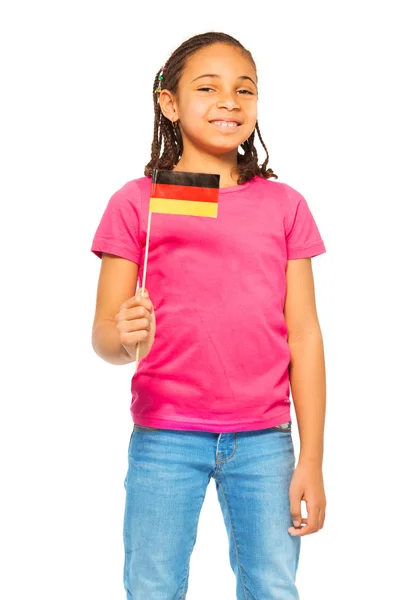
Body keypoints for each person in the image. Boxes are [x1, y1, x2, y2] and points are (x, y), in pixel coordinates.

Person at [91, 31, 327, 600]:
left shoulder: (283, 204)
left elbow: (306, 334)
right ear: (168, 103)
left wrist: (313, 457)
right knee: (151, 587)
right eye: (208, 87)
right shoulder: (138, 200)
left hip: (265, 439)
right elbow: (105, 335)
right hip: (166, 434)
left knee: (273, 585)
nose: (229, 101)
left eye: (244, 89)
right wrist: (123, 338)